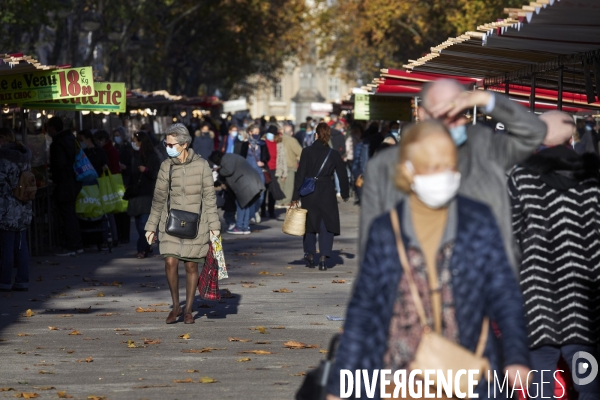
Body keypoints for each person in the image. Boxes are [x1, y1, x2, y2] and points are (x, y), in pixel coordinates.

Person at [327, 121, 530, 400]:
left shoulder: (479, 220)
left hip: (466, 373)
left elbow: (505, 292)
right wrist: (340, 384)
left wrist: (517, 355)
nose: (443, 174)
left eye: (448, 164)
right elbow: (363, 308)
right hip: (395, 375)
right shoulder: (386, 229)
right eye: (432, 166)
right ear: (408, 170)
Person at [359, 80, 548, 272]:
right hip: (413, 286)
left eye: (459, 114)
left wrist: (485, 99)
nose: (453, 123)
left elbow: (534, 132)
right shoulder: (384, 167)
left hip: (484, 283)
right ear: (422, 114)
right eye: (444, 115)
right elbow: (369, 245)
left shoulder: (484, 148)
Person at [508, 111, 600, 399]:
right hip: (585, 298)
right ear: (572, 135)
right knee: (589, 383)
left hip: (538, 296)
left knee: (542, 384)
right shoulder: (594, 176)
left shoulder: (521, 176)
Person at [145, 123, 220, 325]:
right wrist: (151, 226)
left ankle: (188, 309)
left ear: (184, 144)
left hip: (197, 223)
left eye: (171, 144)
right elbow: (158, 199)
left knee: (190, 266)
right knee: (170, 261)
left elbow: (210, 198)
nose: (167, 147)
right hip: (170, 223)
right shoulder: (165, 166)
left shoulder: (202, 165)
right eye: (166, 143)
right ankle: (176, 305)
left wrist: (214, 226)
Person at [292, 122, 349, 271]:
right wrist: (345, 193)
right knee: (326, 224)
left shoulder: (307, 151)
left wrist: (295, 195)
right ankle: (324, 257)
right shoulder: (334, 154)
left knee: (310, 224)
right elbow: (342, 175)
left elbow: (300, 174)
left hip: (309, 192)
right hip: (327, 192)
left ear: (316, 135)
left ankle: (310, 254)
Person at [0, 128, 33, 291]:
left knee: (7, 246)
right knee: (21, 245)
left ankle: (4, 281)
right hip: (24, 208)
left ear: (3, 140)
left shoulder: (3, 159)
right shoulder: (25, 157)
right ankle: (22, 280)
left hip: (7, 209)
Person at [47, 116, 83, 256]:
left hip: (64, 183)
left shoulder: (57, 143)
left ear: (52, 128)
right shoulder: (71, 139)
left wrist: (54, 176)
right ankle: (76, 244)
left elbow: (59, 165)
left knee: (67, 215)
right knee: (71, 214)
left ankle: (72, 245)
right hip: (74, 181)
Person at [209, 151, 264, 235]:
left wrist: (219, 170)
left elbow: (228, 171)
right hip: (251, 181)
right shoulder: (231, 156)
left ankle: (239, 226)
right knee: (246, 206)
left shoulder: (226, 159)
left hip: (245, 183)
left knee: (241, 205)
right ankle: (245, 227)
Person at [127, 131, 161, 259]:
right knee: (138, 223)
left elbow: (156, 174)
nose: (134, 143)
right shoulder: (133, 155)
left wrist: (146, 170)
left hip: (148, 193)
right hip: (135, 193)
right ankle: (147, 244)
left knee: (143, 224)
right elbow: (131, 173)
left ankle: (141, 249)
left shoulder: (152, 156)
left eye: (136, 141)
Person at [245, 124, 270, 224]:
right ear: (250, 133)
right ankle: (251, 216)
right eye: (254, 133)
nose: (256, 134)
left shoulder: (262, 144)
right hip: (248, 172)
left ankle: (255, 210)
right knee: (251, 195)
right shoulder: (244, 144)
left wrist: (263, 162)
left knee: (261, 196)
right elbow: (240, 156)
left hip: (259, 172)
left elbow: (267, 156)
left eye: (258, 133)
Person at [112, 127, 132, 244]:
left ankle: (124, 235)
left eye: (118, 135)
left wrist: (126, 168)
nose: (116, 137)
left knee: (124, 209)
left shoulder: (127, 148)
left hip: (125, 180)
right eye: (115, 135)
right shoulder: (116, 148)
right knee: (118, 208)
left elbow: (131, 165)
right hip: (117, 179)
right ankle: (119, 234)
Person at [262, 125, 285, 219]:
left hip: (274, 170)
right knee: (264, 190)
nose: (269, 135)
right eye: (268, 133)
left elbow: (282, 159)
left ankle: (271, 211)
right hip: (265, 169)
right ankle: (263, 211)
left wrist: (283, 173)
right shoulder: (263, 143)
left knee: (272, 191)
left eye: (271, 134)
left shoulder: (278, 144)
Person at [278, 123, 303, 207]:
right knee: (289, 186)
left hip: (279, 165)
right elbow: (300, 152)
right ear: (291, 132)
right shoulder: (292, 140)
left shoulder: (278, 139)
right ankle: (286, 201)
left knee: (280, 184)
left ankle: (279, 201)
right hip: (290, 165)